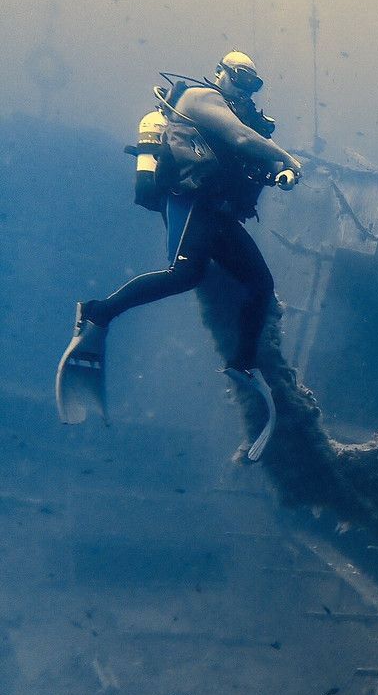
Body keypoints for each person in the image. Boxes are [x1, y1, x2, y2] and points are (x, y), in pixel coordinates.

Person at [57, 51, 303, 460]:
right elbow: (245, 141)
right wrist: (289, 158)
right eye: (239, 77)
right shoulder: (199, 98)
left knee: (260, 285)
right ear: (221, 72)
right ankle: (96, 312)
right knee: (183, 273)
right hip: (188, 200)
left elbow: (247, 156)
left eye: (252, 83)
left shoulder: (241, 118)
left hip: (218, 212)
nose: (243, 87)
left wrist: (279, 172)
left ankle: (241, 364)